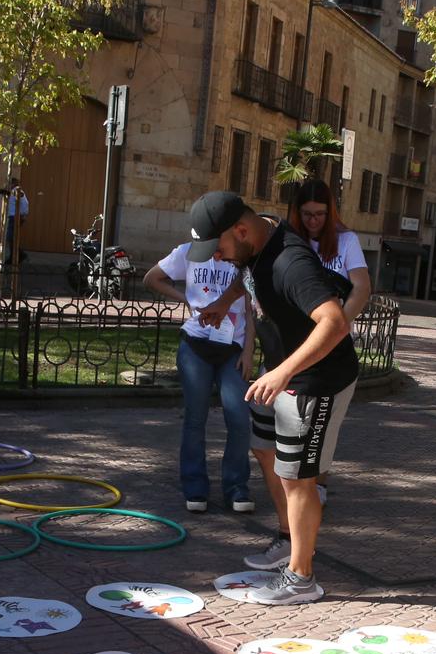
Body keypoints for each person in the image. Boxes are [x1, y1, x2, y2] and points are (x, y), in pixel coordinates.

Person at [185, 190, 357, 605]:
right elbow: (247, 279)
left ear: (241, 231)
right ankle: (287, 539)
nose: (218, 258)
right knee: (264, 450)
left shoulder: (290, 262)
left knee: (298, 477)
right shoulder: (258, 235)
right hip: (281, 373)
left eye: (220, 248)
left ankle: (301, 577)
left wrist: (284, 371)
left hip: (315, 379)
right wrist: (222, 303)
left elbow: (335, 322)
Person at [142, 242, 256, 514]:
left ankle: (236, 487)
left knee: (239, 418)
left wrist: (249, 350)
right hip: (195, 344)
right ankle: (195, 487)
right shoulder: (188, 251)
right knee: (195, 418)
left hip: (233, 347)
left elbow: (250, 307)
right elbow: (151, 278)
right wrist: (185, 298)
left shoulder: (241, 254)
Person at [286, 177, 371, 507]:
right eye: (307, 214)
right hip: (299, 341)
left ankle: (317, 484)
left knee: (323, 422)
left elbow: (361, 287)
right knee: (297, 420)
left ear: (330, 212)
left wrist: (338, 326)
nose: (313, 221)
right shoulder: (292, 241)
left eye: (320, 214)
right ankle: (297, 484)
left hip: (333, 348)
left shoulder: (346, 241)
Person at [0, 178, 28, 264]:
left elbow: (20, 196)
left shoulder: (17, 190)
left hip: (16, 217)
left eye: (9, 183)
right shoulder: (13, 191)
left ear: (13, 184)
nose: (7, 185)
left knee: (11, 237)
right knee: (10, 236)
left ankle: (18, 255)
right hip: (14, 217)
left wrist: (22, 215)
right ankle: (17, 255)